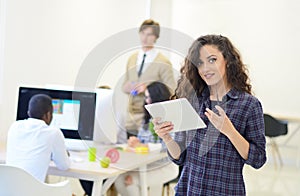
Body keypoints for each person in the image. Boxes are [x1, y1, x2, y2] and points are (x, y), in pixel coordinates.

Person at [153, 35, 266, 195]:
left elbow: (258, 159)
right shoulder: (191, 102)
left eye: (212, 60)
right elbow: (179, 157)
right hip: (188, 190)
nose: (205, 68)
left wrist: (230, 131)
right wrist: (167, 138)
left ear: (227, 61)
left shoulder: (248, 105)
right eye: (200, 63)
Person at [115, 81, 178, 196]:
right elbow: (142, 141)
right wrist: (136, 142)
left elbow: (170, 146)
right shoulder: (148, 119)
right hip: (147, 165)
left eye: (149, 97)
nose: (146, 101)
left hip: (165, 166)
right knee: (119, 179)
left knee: (130, 181)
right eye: (146, 97)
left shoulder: (171, 119)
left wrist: (147, 146)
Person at [122, 19, 176, 138]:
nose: (145, 37)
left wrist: (148, 88)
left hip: (150, 119)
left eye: (149, 34)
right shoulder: (132, 58)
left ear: (156, 37)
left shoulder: (163, 62)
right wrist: (129, 87)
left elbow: (171, 90)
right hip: (131, 118)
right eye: (142, 33)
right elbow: (124, 85)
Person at [6, 94, 70, 182]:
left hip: (8, 191)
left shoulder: (14, 126)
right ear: (48, 114)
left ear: (28, 113)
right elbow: (64, 166)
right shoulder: (53, 132)